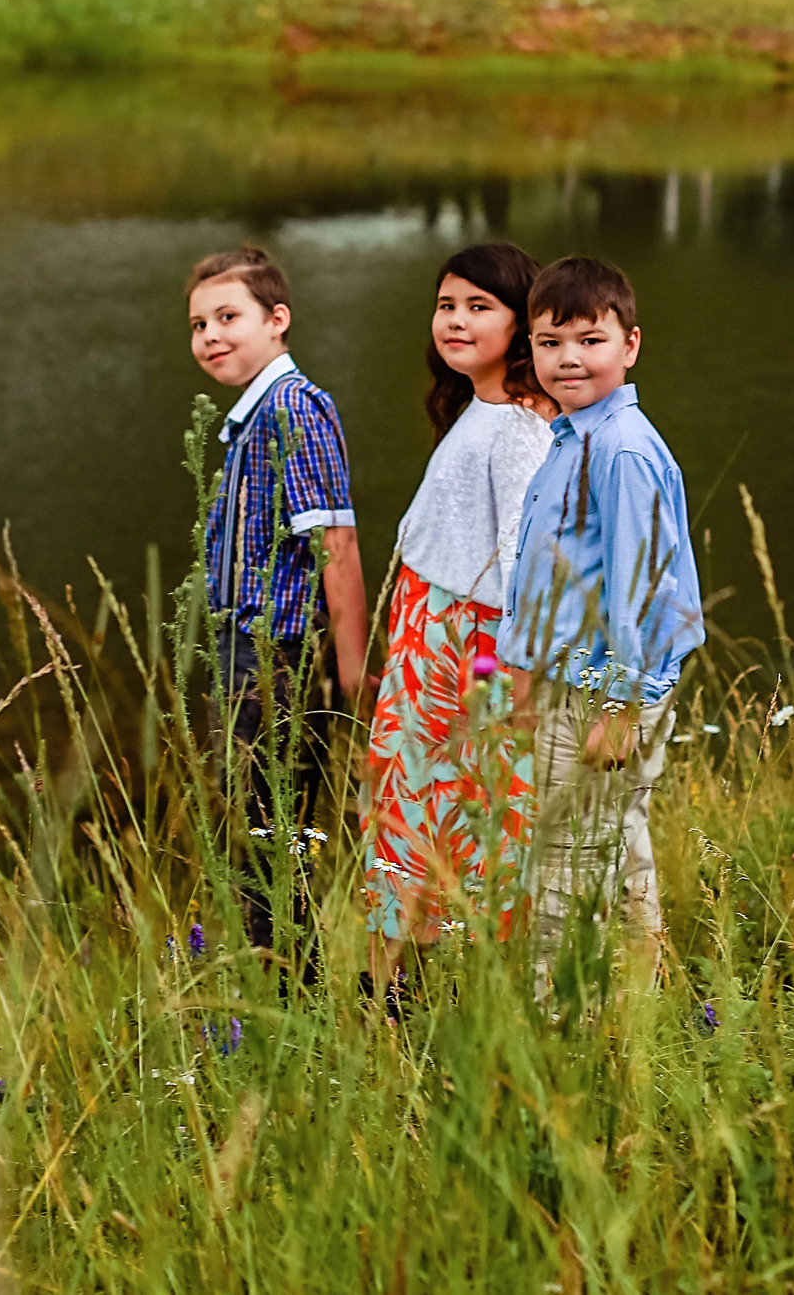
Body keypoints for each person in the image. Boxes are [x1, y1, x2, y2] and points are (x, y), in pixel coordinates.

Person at [501, 256, 704, 984]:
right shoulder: (574, 437)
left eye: (589, 339)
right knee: (616, 845)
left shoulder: (620, 449)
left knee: (565, 866)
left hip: (604, 690)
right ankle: (647, 1001)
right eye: (550, 342)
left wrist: (620, 706)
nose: (568, 359)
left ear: (631, 344)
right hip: (571, 681)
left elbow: (642, 591)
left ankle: (564, 1025)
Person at [361, 244, 555, 994]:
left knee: (448, 812)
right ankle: (397, 992)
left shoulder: (517, 427)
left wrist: (515, 681)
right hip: (428, 641)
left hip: (466, 654)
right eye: (447, 305)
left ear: (521, 324)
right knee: (407, 810)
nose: (457, 320)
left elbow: (523, 561)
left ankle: (418, 992)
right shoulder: (479, 407)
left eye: (480, 307)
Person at [187, 246, 369, 957]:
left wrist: (350, 669)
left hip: (280, 656)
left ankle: (296, 998)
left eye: (229, 316)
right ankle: (283, 990)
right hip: (242, 653)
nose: (211, 336)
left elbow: (338, 544)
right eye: (199, 323)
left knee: (273, 840)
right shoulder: (251, 417)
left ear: (278, 320)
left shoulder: (295, 407)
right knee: (255, 838)